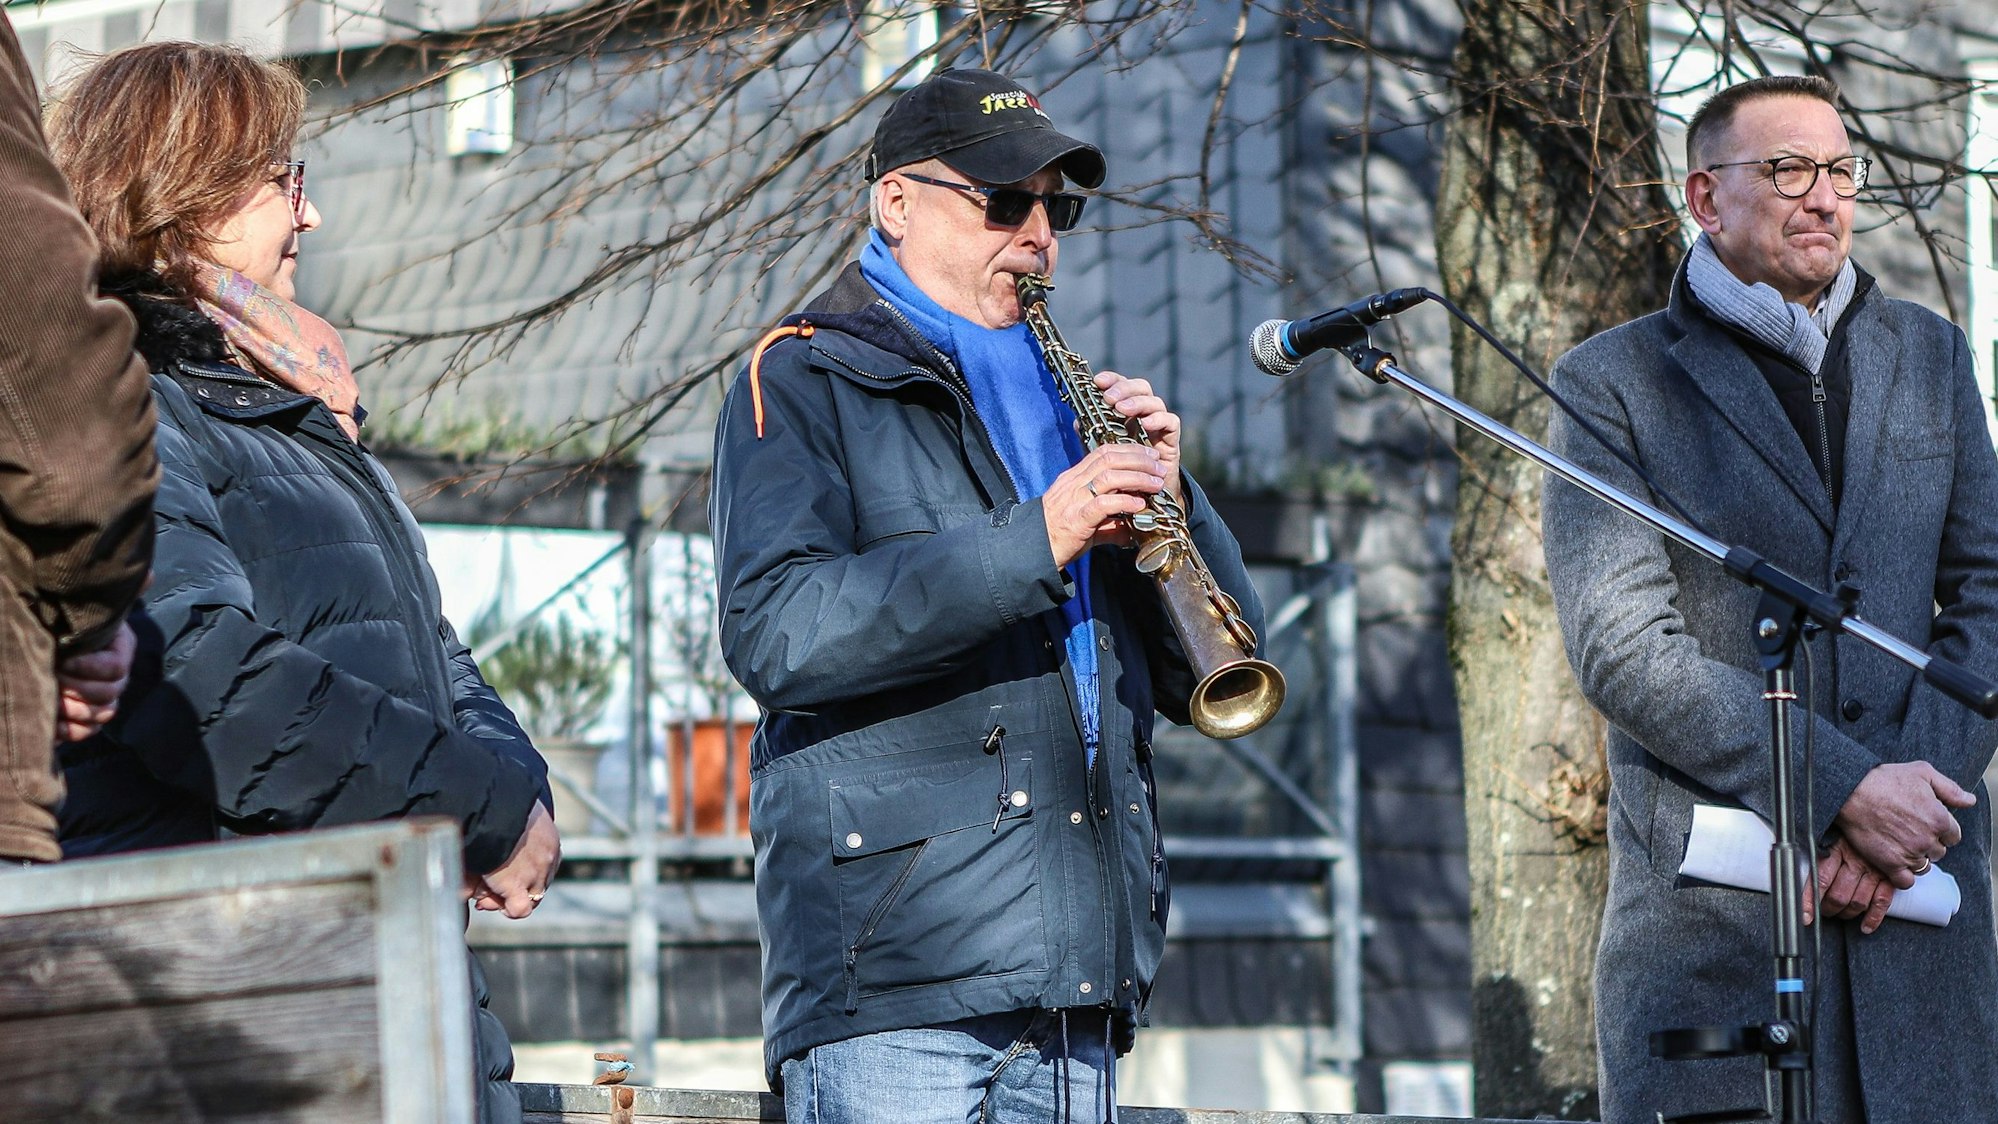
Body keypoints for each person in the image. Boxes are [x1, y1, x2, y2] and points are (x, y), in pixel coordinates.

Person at [711, 68, 1268, 1122]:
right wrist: (1042, 534)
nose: (1038, 233)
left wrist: (1174, 495)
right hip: (896, 981)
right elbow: (777, 632)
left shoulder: (1073, 393)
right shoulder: (802, 375)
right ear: (897, 202)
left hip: (1075, 981)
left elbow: (1209, 677)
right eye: (1004, 202)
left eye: (1058, 206)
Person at [43, 42, 558, 1123]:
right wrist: (479, 802)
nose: (309, 218)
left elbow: (430, 645)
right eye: (286, 180)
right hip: (242, 1003)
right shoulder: (121, 397)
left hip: (380, 979)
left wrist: (515, 784)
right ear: (181, 194)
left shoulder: (291, 409)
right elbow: (200, 674)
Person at [1544, 75, 1998, 1123]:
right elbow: (1624, 647)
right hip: (1721, 939)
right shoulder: (1611, 381)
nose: (1824, 196)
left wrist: (1908, 815)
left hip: (1922, 939)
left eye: (1841, 171)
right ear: (1707, 198)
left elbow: (1985, 592)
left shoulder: (1930, 353)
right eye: (1787, 169)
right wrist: (1843, 791)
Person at [0, 12, 158, 865]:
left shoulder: (322, 403)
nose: (310, 211)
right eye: (281, 176)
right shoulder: (184, 404)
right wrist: (84, 624)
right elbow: (71, 442)